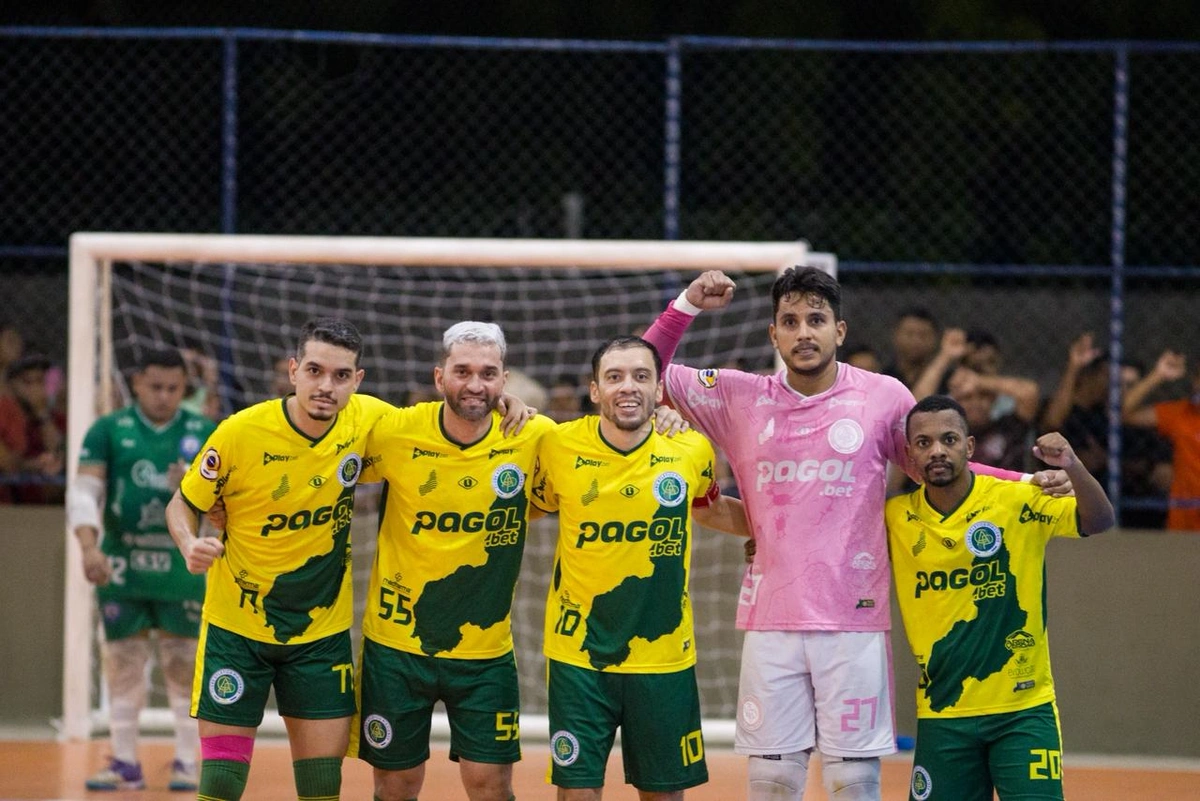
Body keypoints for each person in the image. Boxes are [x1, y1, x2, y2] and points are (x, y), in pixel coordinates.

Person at [640, 267, 1064, 801]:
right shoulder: (739, 396)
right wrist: (687, 303)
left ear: (839, 331)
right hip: (771, 617)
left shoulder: (883, 397)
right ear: (774, 335)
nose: (803, 332)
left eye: (816, 319)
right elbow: (642, 370)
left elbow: (944, 463)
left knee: (853, 783)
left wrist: (1027, 481)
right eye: (789, 322)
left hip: (853, 619)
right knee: (771, 782)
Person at [165, 318, 397, 801]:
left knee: (320, 788)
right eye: (314, 370)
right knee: (221, 785)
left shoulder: (371, 420)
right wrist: (189, 543)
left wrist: (509, 406)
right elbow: (184, 501)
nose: (325, 386)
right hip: (236, 630)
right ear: (293, 371)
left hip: (320, 636)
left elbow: (440, 430)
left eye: (340, 376)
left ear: (358, 381)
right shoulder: (240, 432)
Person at [530, 336, 749, 801]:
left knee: (663, 794)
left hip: (663, 656)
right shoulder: (556, 445)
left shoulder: (690, 449)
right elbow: (525, 505)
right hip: (578, 655)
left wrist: (776, 537)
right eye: (614, 377)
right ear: (594, 391)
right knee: (576, 793)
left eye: (641, 376)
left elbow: (709, 510)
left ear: (658, 390)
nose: (627, 387)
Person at [352, 321, 556, 801]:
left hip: (484, 654)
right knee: (396, 784)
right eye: (462, 371)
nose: (475, 384)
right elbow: (321, 457)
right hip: (396, 647)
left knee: (490, 785)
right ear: (439, 376)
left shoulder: (536, 437)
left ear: (504, 381)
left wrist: (667, 419)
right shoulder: (396, 430)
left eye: (488, 373)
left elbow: (604, 454)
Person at [885, 395, 1115, 800]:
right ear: (909, 454)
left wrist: (1072, 466)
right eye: (923, 443)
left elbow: (1098, 520)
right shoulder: (895, 517)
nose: (937, 450)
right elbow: (833, 539)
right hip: (944, 714)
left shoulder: (1017, 501)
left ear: (969, 447)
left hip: (1023, 712)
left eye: (948, 439)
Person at [70, 347, 217, 791]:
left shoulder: (203, 431)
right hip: (122, 564)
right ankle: (125, 763)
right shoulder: (107, 430)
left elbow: (227, 505)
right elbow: (84, 492)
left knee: (184, 664)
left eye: (174, 388)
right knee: (123, 664)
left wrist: (192, 490)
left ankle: (188, 763)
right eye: (155, 387)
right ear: (136, 384)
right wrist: (88, 547)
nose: (164, 396)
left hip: (180, 565)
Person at [1042, 334, 1172, 527]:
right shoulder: (1080, 413)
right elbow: (1052, 421)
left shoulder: (1126, 422)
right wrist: (1074, 367)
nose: (1118, 388)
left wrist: (1112, 461)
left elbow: (1154, 470)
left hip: (1126, 504)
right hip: (1071, 499)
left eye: (1128, 385)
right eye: (1114, 381)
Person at [1122, 349, 1200, 531]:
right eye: (1198, 377)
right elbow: (1122, 413)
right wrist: (1159, 375)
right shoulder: (1181, 412)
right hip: (1183, 518)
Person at [0, 353, 66, 504]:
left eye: (40, 381)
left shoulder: (56, 418)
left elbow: (58, 452)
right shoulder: (5, 412)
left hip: (46, 502)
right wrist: (32, 465)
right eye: (27, 382)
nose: (36, 388)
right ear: (12, 385)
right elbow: (7, 465)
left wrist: (41, 411)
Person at [882, 307, 940, 389]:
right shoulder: (884, 379)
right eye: (909, 334)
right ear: (895, 335)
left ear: (935, 339)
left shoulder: (947, 380)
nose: (916, 341)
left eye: (923, 335)